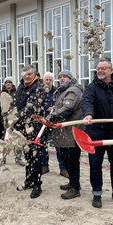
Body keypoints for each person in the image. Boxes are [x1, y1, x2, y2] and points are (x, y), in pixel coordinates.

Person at [81, 59, 113, 208]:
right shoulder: (91, 88)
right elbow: (87, 102)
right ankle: (96, 194)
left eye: (103, 68)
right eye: (98, 69)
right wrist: (88, 115)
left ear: (111, 70)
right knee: (95, 165)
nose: (100, 71)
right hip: (96, 134)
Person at [48, 70, 84, 199]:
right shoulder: (64, 91)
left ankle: (75, 188)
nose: (61, 79)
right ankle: (72, 182)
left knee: (72, 160)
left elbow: (68, 108)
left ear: (70, 78)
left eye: (64, 77)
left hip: (73, 131)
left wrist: (53, 116)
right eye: (60, 77)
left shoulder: (72, 90)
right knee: (66, 159)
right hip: (66, 132)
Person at [14, 65, 47, 198]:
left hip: (36, 127)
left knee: (36, 156)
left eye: (29, 74)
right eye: (24, 74)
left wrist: (14, 117)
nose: (27, 76)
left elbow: (31, 108)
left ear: (34, 74)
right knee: (27, 155)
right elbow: (16, 103)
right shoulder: (21, 86)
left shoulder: (39, 87)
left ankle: (37, 185)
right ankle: (29, 180)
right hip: (23, 127)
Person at [0, 76, 25, 166]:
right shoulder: (1, 94)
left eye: (10, 82)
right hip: (5, 119)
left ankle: (18, 158)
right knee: (5, 139)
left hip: (15, 119)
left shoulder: (17, 93)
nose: (8, 84)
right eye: (6, 82)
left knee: (17, 138)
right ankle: (3, 157)